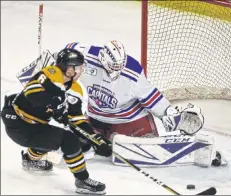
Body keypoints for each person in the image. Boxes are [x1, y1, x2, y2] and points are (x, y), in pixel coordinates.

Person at [1, 48, 111, 195]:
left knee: (54, 136)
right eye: (78, 67)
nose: (81, 71)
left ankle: (30, 160)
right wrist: (54, 102)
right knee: (69, 140)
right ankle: (82, 181)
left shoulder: (76, 90)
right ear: (68, 69)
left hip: (34, 128)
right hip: (18, 123)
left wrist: (94, 138)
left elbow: (77, 119)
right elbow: (31, 93)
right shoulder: (51, 73)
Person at [64, 41, 204, 148]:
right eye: (114, 67)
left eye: (120, 66)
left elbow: (151, 97)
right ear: (103, 59)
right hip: (97, 118)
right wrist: (52, 67)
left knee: (148, 145)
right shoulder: (87, 57)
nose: (117, 70)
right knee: (78, 144)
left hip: (129, 120)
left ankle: (113, 137)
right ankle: (105, 135)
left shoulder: (132, 73)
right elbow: (68, 49)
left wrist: (168, 113)